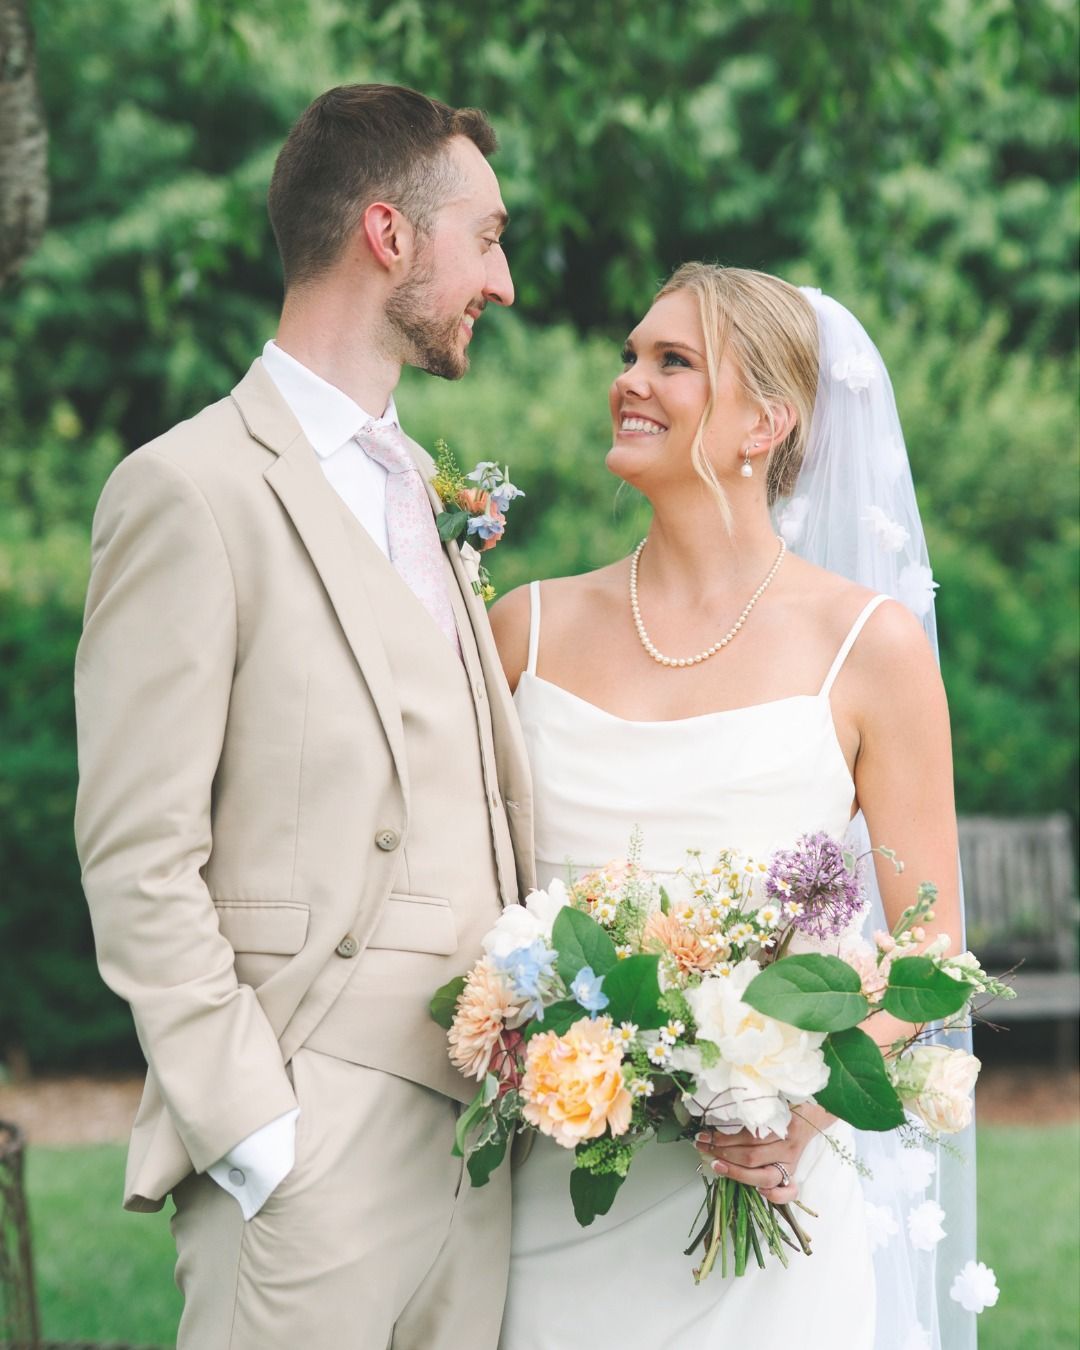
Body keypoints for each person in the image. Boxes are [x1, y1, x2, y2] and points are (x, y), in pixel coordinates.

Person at [74, 83, 533, 1349]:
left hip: (481, 1140)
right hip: (307, 1140)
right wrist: (259, 1135)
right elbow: (136, 850)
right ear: (390, 234)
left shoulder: (422, 492)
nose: (501, 280)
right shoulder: (187, 490)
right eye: (485, 238)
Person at [491, 264, 975, 1349]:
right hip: (556, 1205)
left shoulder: (868, 647)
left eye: (673, 362)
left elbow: (932, 949)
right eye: (629, 355)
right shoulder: (523, 628)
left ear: (768, 421)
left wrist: (799, 1100)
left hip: (769, 1211)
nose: (630, 380)